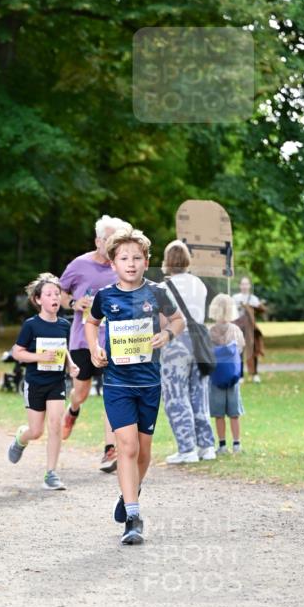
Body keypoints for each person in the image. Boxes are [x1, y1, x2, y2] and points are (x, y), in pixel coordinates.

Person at [85, 224, 185, 545]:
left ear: (146, 261)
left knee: (143, 452)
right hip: (117, 381)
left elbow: (179, 320)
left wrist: (167, 334)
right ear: (113, 263)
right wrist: (94, 348)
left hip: (149, 382)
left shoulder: (157, 292)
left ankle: (130, 491)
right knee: (126, 447)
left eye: (137, 258)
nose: (131, 263)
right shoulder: (105, 296)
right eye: (124, 258)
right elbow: (91, 322)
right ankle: (133, 515)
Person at [59, 214, 121, 473]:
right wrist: (74, 303)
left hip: (114, 340)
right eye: (108, 239)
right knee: (81, 392)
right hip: (83, 339)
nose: (111, 244)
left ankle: (110, 450)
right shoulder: (79, 265)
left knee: (112, 394)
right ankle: (73, 409)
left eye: (115, 239)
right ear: (98, 240)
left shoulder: (121, 265)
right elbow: (61, 293)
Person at [7, 273, 79, 490]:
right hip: (35, 382)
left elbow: (63, 348)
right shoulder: (31, 325)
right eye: (48, 294)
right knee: (36, 431)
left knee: (55, 425)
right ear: (38, 300)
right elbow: (17, 352)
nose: (54, 297)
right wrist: (39, 357)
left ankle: (51, 473)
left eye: (57, 293)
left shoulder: (65, 325)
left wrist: (71, 364)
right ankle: (21, 438)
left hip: (56, 381)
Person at [160, 240, 216, 463]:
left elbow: (164, 320)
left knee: (176, 395)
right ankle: (206, 446)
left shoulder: (164, 288)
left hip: (175, 342)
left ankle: (186, 448)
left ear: (167, 261)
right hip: (199, 340)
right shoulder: (199, 284)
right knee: (198, 394)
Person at [208, 293, 246, 454]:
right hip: (233, 377)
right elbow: (241, 347)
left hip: (216, 377)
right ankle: (236, 444)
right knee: (234, 412)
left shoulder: (211, 331)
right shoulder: (235, 330)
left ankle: (222, 445)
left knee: (218, 414)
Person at [233, 276, 265, 382]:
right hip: (239, 327)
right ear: (240, 286)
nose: (244, 286)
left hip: (250, 328)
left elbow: (260, 310)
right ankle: (240, 375)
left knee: (253, 350)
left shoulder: (254, 299)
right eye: (243, 284)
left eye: (246, 284)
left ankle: (254, 374)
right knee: (239, 351)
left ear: (250, 286)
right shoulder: (235, 298)